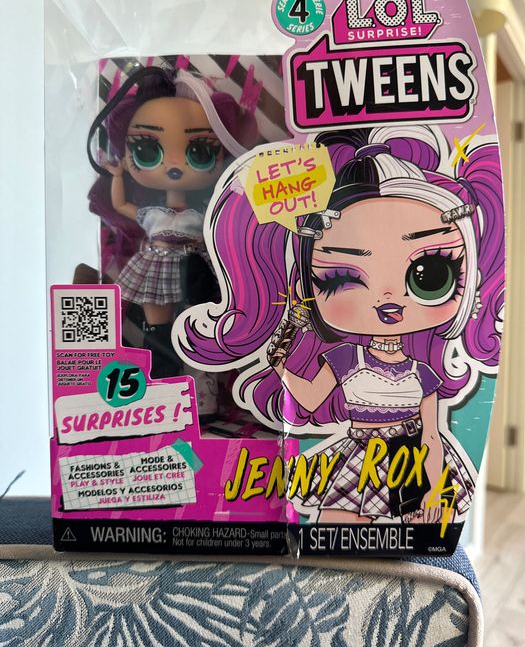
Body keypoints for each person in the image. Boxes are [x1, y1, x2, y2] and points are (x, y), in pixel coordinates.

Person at [176, 125, 504, 523]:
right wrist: (280, 365)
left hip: (412, 462)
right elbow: (312, 399)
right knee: (336, 529)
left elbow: (432, 436)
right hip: (358, 459)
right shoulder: (347, 357)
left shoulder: (424, 374)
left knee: (416, 534)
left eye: (430, 274)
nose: (388, 300)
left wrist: (435, 489)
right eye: (343, 278)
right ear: (305, 286)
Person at [88, 66, 257, 378]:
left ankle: (201, 376)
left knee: (200, 319)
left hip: (196, 269)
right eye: (147, 150)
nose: (175, 164)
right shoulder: (152, 213)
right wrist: (117, 176)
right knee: (157, 325)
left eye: (201, 152)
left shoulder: (203, 213)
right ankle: (162, 373)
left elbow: (223, 231)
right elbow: (121, 205)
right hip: (156, 264)